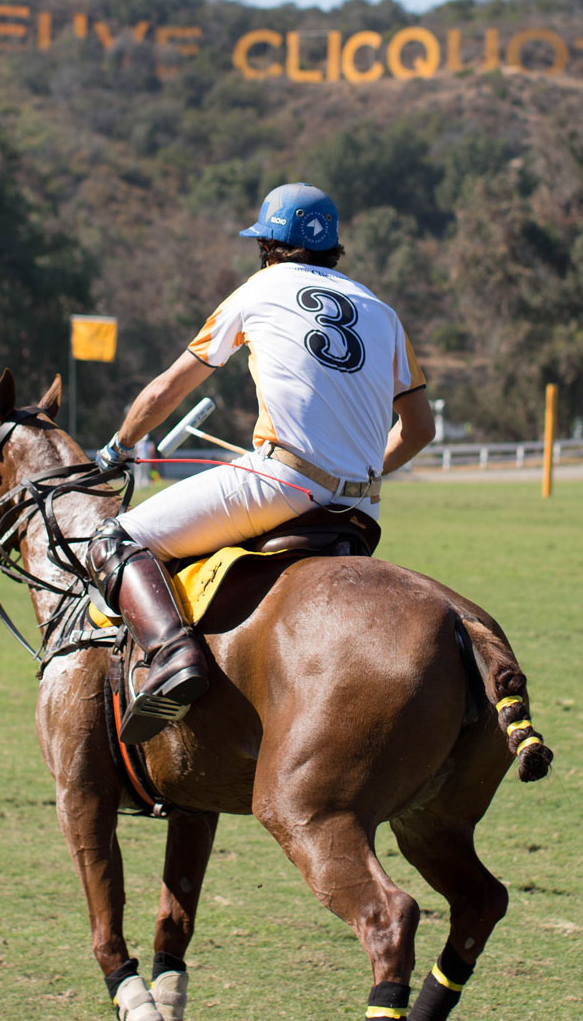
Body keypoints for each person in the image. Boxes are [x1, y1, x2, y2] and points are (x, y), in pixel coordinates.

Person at [88, 182, 436, 744]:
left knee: (114, 540)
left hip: (281, 482)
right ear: (334, 249)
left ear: (268, 247)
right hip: (362, 509)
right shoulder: (382, 312)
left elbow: (167, 390)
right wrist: (359, 476)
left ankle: (173, 657)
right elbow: (421, 429)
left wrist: (120, 446)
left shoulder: (259, 290)